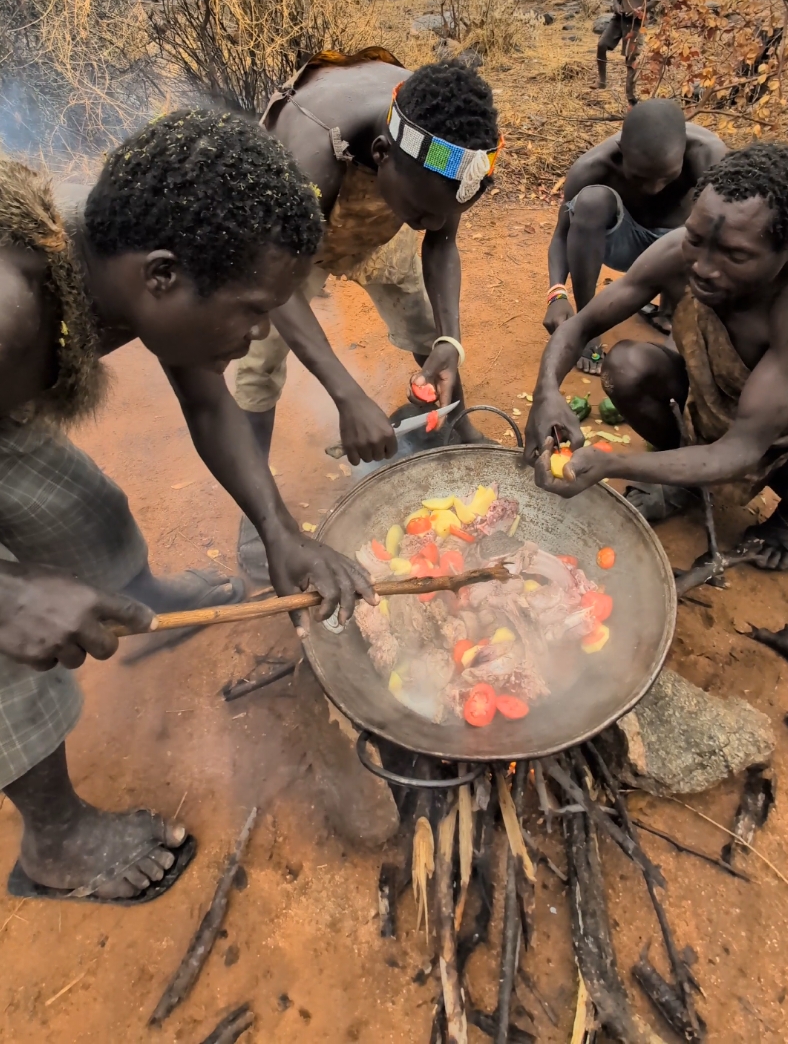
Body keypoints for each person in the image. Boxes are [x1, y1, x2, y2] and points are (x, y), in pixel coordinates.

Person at [0, 111, 373, 903]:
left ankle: (138, 593)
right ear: (163, 276)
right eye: (251, 309)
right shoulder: (10, 311)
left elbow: (208, 402)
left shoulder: (115, 261)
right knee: (8, 644)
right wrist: (11, 593)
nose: (262, 329)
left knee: (83, 514)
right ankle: (55, 843)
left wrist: (278, 527)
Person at [233, 51, 502, 575]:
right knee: (258, 365)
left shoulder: (442, 151)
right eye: (423, 212)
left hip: (378, 214)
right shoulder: (309, 147)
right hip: (287, 240)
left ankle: (461, 428)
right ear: (380, 154)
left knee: (426, 328)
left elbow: (438, 240)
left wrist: (451, 341)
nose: (431, 223)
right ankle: (261, 516)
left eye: (443, 213)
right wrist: (348, 396)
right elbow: (276, 287)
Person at [526, 142, 788, 570]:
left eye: (737, 255)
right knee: (626, 368)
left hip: (781, 440)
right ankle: (688, 480)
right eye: (696, 239)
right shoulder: (682, 251)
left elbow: (745, 447)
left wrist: (613, 463)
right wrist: (546, 391)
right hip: (714, 411)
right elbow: (580, 326)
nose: (703, 267)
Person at [544, 100, 725, 371]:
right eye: (639, 177)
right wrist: (556, 295)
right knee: (590, 201)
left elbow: (732, 233)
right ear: (621, 152)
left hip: (681, 249)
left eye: (667, 177)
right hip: (622, 244)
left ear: (684, 152)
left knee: (716, 218)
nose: (653, 188)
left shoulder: (709, 157)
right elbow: (562, 234)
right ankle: (587, 324)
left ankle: (672, 308)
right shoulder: (593, 166)